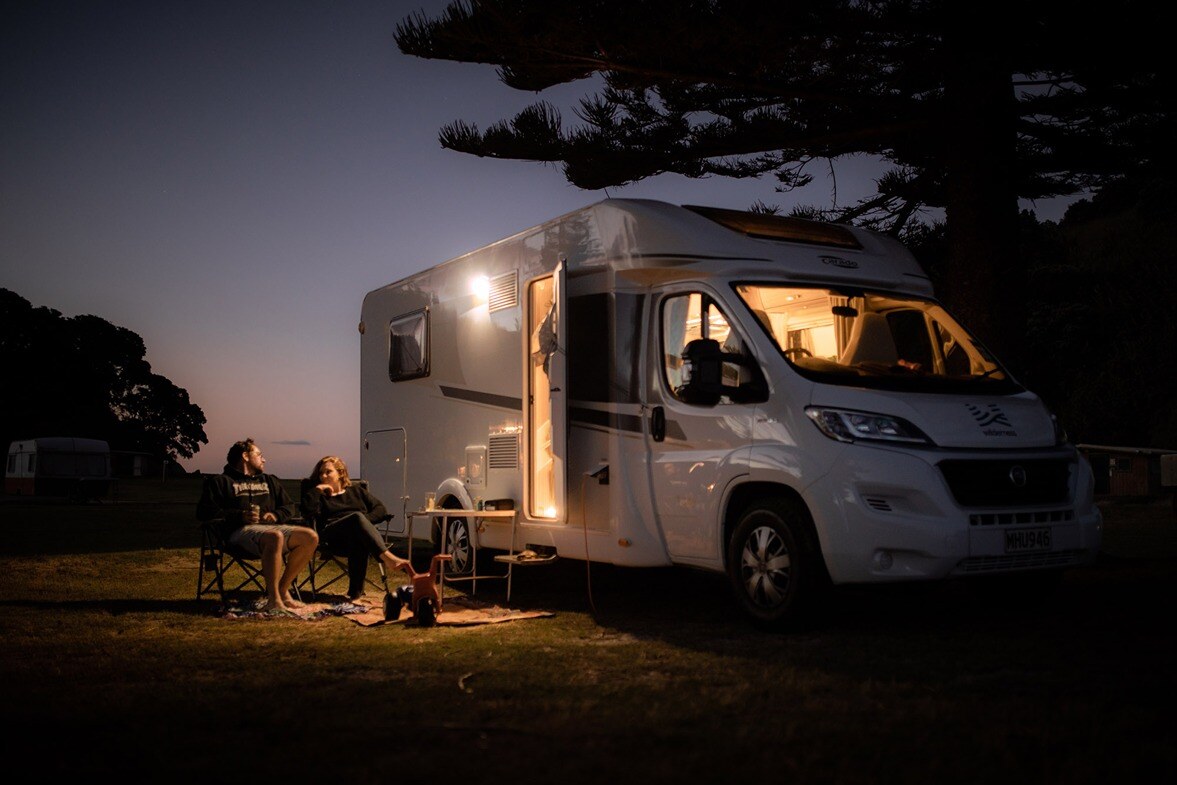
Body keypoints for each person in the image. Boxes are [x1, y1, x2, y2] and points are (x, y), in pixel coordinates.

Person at [196, 438, 319, 613]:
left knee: (310, 537)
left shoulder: (269, 481)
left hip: (270, 530)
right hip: (238, 533)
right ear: (245, 456)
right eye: (259, 455)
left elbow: (289, 506)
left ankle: (283, 590)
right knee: (274, 536)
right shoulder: (221, 482)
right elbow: (204, 513)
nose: (264, 459)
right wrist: (240, 516)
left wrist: (275, 515)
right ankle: (273, 599)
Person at [302, 455, 412, 601]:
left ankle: (355, 594)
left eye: (328, 472)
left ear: (340, 473)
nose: (323, 475)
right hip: (331, 537)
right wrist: (318, 490)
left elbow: (381, 509)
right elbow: (307, 511)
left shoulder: (356, 491)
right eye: (321, 472)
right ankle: (388, 558)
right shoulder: (318, 494)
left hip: (356, 537)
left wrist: (362, 525)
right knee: (356, 518)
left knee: (358, 534)